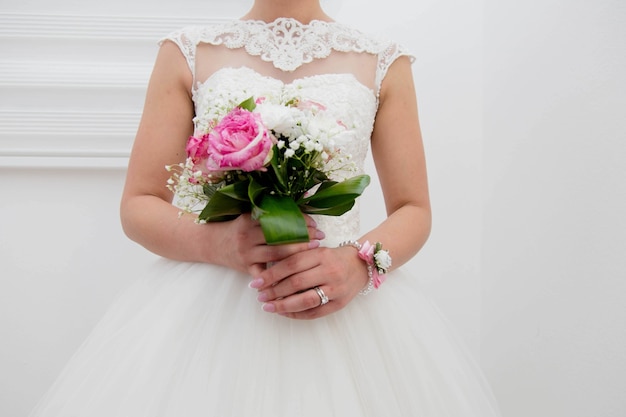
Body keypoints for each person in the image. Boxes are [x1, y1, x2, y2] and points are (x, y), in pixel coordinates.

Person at [29, 0, 501, 415]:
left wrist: (359, 264)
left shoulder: (383, 62)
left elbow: (414, 209)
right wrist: (220, 243)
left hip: (342, 309)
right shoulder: (187, 51)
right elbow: (138, 204)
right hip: (205, 314)